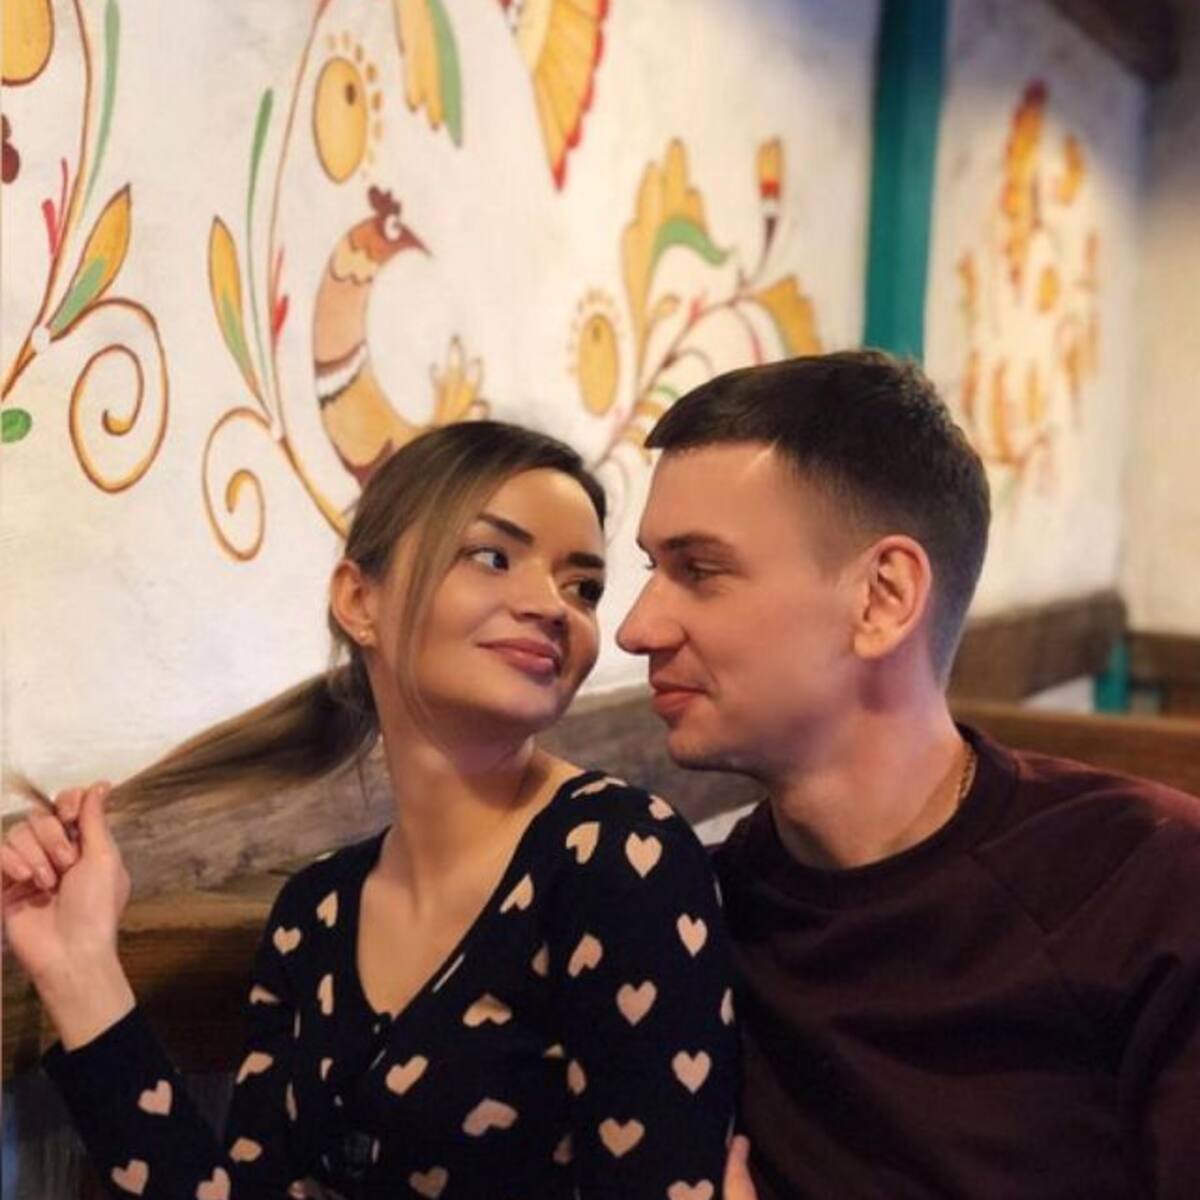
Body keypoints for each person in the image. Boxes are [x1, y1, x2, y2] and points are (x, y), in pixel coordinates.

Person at [1, 421, 738, 1200]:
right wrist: (78, 967)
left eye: (581, 586)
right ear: (360, 600)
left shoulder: (618, 855)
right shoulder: (313, 911)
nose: (551, 606)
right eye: (493, 556)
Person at [617, 351, 1200, 1199]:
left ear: (882, 598)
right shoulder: (692, 918)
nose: (637, 628)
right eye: (651, 571)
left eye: (699, 570)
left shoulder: (1149, 884)